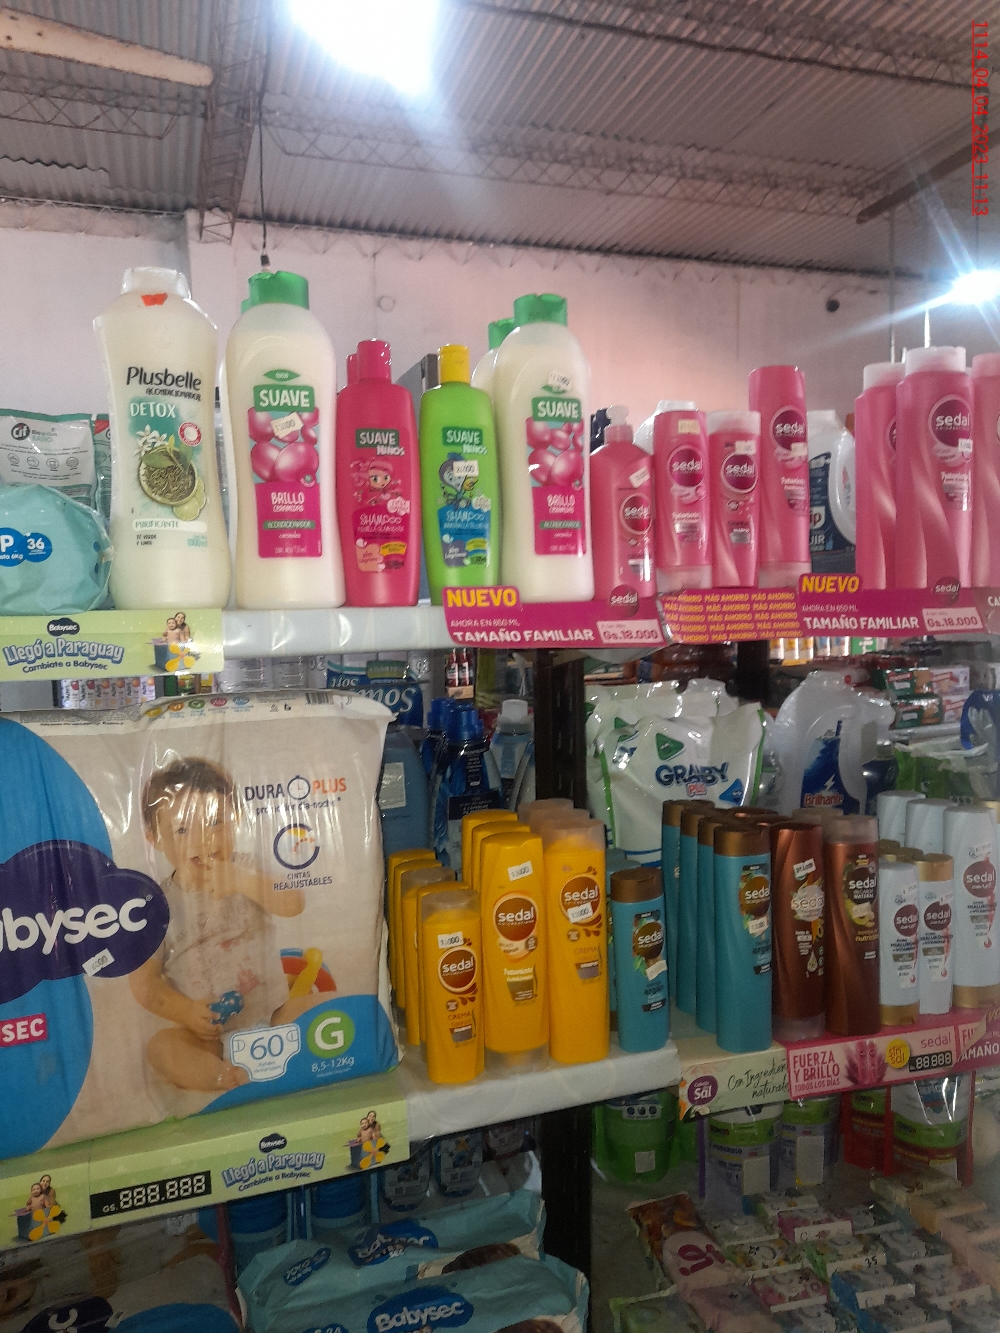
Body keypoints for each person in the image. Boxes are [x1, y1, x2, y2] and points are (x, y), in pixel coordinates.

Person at [130, 757, 316, 1092]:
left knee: (326, 1003)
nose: (204, 839)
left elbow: (295, 903)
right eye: (183, 830)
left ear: (236, 819)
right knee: (161, 1048)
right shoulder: (156, 906)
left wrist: (245, 882)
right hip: (208, 1035)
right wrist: (186, 1012)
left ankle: (288, 1057)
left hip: (275, 1014)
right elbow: (145, 984)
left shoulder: (248, 867)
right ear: (154, 838)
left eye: (215, 821)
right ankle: (223, 1076)